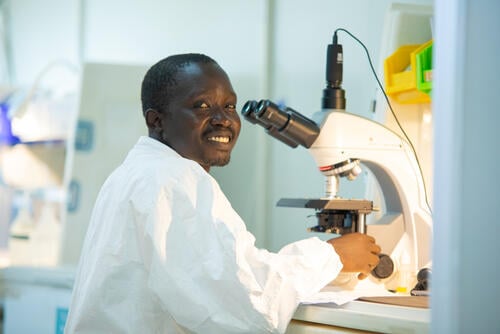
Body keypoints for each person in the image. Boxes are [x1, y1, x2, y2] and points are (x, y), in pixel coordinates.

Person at [65, 53, 381, 334]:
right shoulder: (175, 178)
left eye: (229, 105)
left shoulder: (134, 174)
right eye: (201, 106)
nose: (223, 119)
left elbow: (215, 278)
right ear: (156, 120)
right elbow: (242, 307)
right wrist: (333, 256)